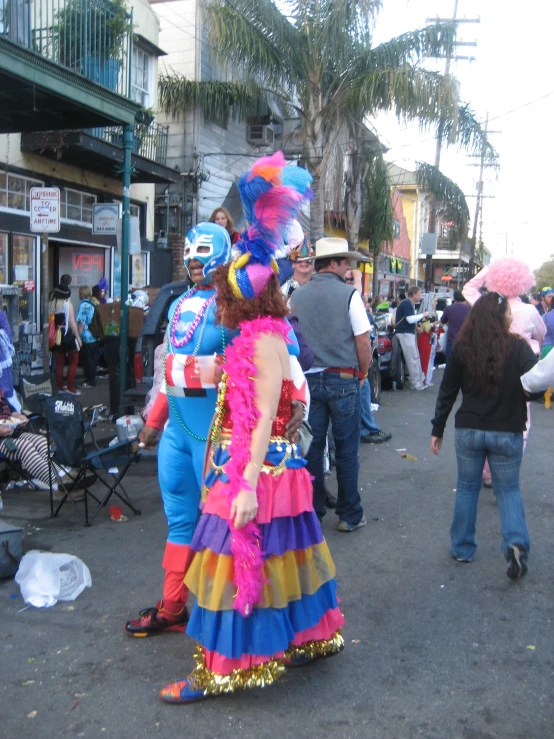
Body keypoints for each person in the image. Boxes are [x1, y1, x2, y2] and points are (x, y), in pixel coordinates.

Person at [159, 151, 343, 705]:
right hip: (266, 469)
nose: (217, 298)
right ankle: (310, 637)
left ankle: (219, 671)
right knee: (285, 559)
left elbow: (262, 416)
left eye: (224, 291)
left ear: (244, 295)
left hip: (256, 471)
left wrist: (240, 486)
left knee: (224, 566)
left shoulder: (261, 338)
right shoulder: (256, 335)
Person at [125, 222, 307, 638]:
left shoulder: (237, 304)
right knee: (179, 520)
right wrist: (155, 421)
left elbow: (284, 346)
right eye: (188, 250)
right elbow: (170, 372)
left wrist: (296, 397)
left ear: (221, 253)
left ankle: (229, 620)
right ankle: (174, 605)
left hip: (217, 433)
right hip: (178, 428)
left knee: (225, 529)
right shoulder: (178, 305)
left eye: (201, 250)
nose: (192, 258)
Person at [430, 292, 538, 579]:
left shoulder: (463, 346)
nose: (512, 317)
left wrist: (437, 428)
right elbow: (535, 384)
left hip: (469, 429)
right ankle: (515, 543)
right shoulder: (519, 347)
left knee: (467, 488)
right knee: (508, 490)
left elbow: (448, 390)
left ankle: (463, 547)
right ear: (501, 317)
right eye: (508, 313)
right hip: (507, 429)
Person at [291, 237, 371, 532]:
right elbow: (363, 340)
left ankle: (313, 512)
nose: (348, 266)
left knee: (311, 450)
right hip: (343, 378)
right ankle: (349, 515)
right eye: (345, 260)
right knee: (347, 450)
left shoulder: (297, 296)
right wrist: (363, 373)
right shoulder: (349, 294)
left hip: (309, 380)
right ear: (334, 263)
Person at [463, 259, 545, 487]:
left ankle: (488, 473)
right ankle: (506, 468)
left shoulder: (487, 306)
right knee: (522, 421)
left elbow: (468, 288)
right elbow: (541, 334)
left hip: (488, 365)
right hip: (520, 370)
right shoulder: (529, 311)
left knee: (488, 415)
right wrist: (533, 351)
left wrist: (490, 269)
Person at [49, 281, 82, 396]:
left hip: (56, 334)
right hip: (66, 334)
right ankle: (70, 387)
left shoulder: (51, 304)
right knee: (74, 360)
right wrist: (78, 337)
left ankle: (59, 387)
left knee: (59, 363)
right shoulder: (67, 304)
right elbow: (72, 322)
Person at [394, 286, 429, 391]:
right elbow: (410, 319)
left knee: (414, 357)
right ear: (413, 294)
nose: (420, 296)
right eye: (419, 294)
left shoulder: (407, 303)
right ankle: (416, 383)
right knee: (412, 358)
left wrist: (416, 327)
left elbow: (408, 319)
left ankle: (418, 381)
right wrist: (423, 315)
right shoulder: (407, 304)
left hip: (407, 333)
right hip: (405, 334)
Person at [76, 287, 102, 388]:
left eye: (80, 292)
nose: (79, 294)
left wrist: (78, 336)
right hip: (94, 336)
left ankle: (90, 381)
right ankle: (91, 379)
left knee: (87, 360)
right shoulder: (94, 303)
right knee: (92, 360)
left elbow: (82, 322)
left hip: (87, 337)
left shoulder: (84, 305)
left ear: (83, 293)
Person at [440, 290, 470, 360]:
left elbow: (443, 321)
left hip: (452, 339)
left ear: (454, 298)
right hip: (465, 339)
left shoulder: (449, 309)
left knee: (450, 361)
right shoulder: (470, 309)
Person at [540, 299, 554, 407]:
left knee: (547, 375)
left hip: (547, 347)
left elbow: (540, 332)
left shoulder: (545, 316)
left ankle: (547, 401)